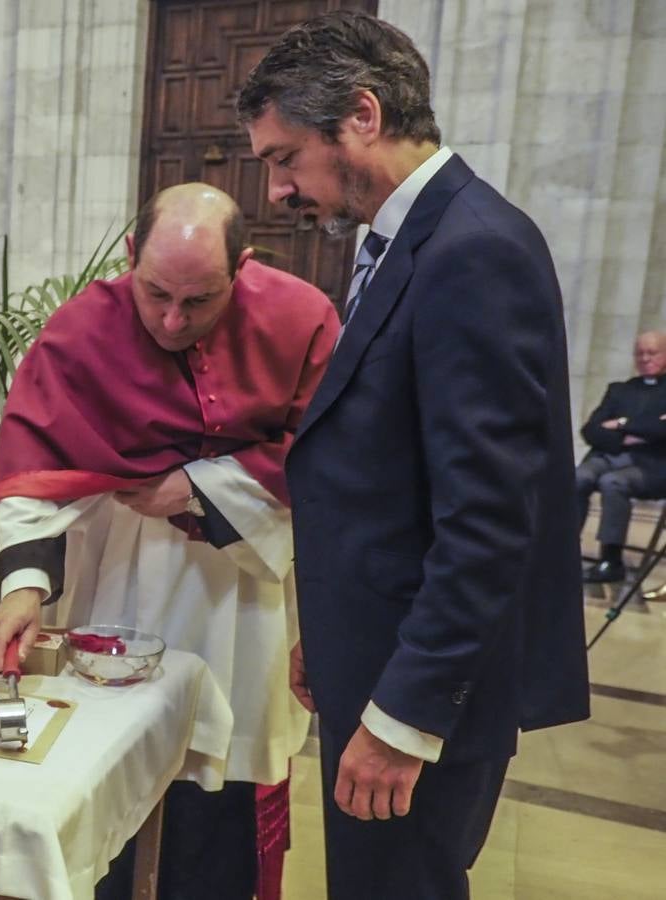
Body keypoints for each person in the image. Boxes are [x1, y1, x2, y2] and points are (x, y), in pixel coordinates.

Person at [237, 11, 590, 898]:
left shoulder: (474, 250)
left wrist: (403, 716)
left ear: (360, 115)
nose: (276, 192)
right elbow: (386, 473)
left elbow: (491, 518)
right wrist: (329, 630)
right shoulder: (396, 238)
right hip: (377, 655)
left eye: (283, 158)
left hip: (423, 694)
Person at [0, 183, 338, 900]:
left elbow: (333, 453)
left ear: (240, 267)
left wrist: (204, 487)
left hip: (237, 593)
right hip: (116, 571)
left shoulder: (302, 318)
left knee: (218, 792)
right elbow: (32, 460)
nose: (172, 320)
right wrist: (24, 585)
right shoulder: (82, 329)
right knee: (109, 772)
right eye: (154, 294)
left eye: (199, 301)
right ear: (130, 255)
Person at [576, 331, 666, 583]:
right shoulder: (619, 390)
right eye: (640, 353)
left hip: (651, 466)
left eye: (652, 353)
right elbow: (590, 429)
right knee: (578, 476)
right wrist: (635, 435)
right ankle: (563, 547)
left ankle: (611, 559)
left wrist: (621, 423)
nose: (645, 358)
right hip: (610, 456)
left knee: (613, 483)